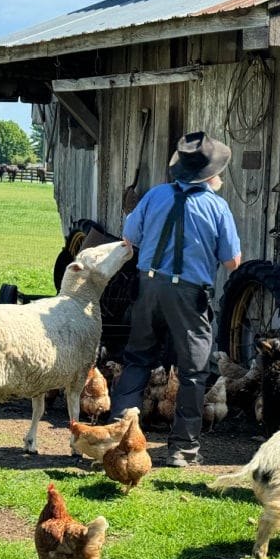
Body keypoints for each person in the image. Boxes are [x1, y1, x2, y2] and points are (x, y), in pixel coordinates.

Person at [109, 131, 241, 466]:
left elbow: (130, 236)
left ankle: (116, 436)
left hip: (148, 286)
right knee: (193, 371)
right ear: (210, 174)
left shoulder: (155, 195)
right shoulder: (217, 206)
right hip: (189, 293)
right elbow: (232, 261)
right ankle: (182, 449)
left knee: (138, 359)